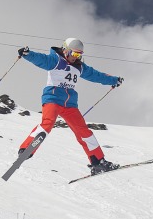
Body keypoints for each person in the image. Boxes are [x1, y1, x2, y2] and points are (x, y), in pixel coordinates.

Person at [17, 37, 124, 175]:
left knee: (84, 131)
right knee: (47, 124)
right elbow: (41, 60)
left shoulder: (79, 67)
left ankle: (98, 162)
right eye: (74, 54)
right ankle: (27, 149)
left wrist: (113, 80)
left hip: (70, 104)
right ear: (65, 50)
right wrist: (28, 54)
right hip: (53, 98)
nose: (76, 57)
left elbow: (96, 75)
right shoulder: (55, 60)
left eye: (79, 55)